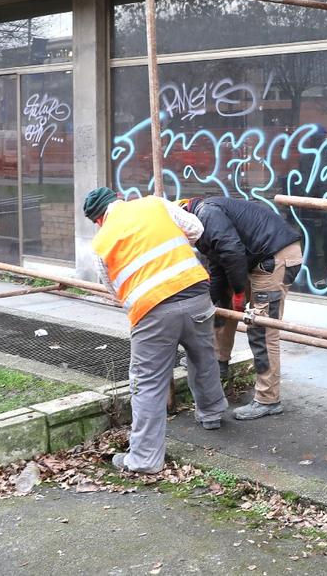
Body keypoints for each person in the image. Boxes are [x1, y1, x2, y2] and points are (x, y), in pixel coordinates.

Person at [83, 187, 227, 474]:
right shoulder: (154, 204)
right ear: (119, 199)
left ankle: (145, 459)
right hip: (196, 292)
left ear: (98, 220)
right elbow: (196, 228)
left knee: (147, 380)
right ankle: (212, 413)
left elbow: (112, 287)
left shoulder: (101, 242)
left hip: (152, 310)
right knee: (203, 355)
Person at [178, 196, 302, 421]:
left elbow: (232, 251)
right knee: (221, 307)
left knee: (261, 328)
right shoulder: (202, 220)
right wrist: (211, 301)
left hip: (274, 259)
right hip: (256, 259)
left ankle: (268, 399)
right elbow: (218, 266)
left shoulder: (206, 215)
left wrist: (238, 292)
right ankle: (218, 363)